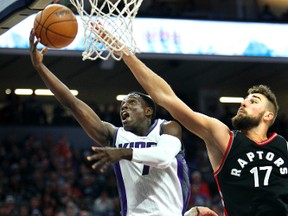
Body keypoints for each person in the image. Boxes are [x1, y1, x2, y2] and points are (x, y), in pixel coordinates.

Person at [29, 29, 217, 216]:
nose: (124, 107)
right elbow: (72, 103)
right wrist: (40, 68)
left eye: (131, 102)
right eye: (122, 105)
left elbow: (163, 157)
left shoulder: (167, 127)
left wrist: (123, 152)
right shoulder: (114, 135)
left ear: (148, 110)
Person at [105, 33, 288, 215]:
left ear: (268, 115)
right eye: (244, 100)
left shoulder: (282, 146)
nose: (244, 103)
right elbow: (167, 98)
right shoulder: (224, 138)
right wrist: (126, 54)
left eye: (253, 101)